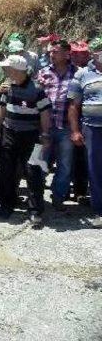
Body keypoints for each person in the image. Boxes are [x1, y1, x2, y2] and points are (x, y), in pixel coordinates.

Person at [0, 55, 52, 227]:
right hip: (9, 134)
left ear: (17, 70)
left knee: (33, 173)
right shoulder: (8, 86)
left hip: (32, 137)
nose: (5, 71)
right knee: (7, 170)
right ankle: (7, 204)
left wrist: (46, 134)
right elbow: (2, 108)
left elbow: (45, 113)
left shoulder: (37, 89)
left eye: (7, 68)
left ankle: (35, 211)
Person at [36, 39, 77, 210]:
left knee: (65, 166)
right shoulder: (43, 72)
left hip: (66, 128)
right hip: (43, 128)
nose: (52, 54)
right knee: (38, 163)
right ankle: (36, 198)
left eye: (56, 51)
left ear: (67, 54)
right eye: (51, 51)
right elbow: (35, 98)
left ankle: (58, 198)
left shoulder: (77, 73)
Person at [68, 37, 102, 228]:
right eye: (99, 50)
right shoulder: (82, 74)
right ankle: (99, 210)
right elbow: (73, 105)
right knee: (95, 170)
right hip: (92, 129)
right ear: (93, 53)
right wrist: (74, 131)